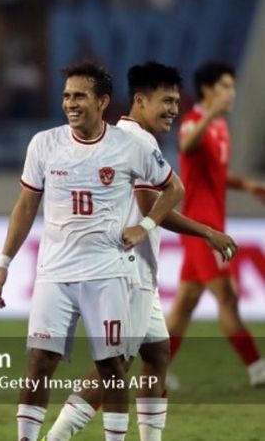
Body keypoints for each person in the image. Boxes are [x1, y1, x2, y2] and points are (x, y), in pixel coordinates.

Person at [0, 61, 184, 441]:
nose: (70, 103)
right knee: (39, 363)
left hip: (107, 274)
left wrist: (144, 227)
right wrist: (3, 263)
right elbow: (26, 205)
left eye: (80, 95)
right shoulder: (44, 143)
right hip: (54, 274)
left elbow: (173, 188)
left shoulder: (129, 146)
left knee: (112, 367)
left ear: (103, 101)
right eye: (66, 96)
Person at [43, 61, 236, 441]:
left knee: (158, 352)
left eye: (177, 101)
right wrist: (207, 232)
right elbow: (152, 207)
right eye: (166, 100)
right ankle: (56, 437)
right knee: (115, 365)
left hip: (139, 271)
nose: (173, 109)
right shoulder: (136, 143)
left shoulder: (129, 138)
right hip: (127, 273)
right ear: (140, 100)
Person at [167, 61, 265, 387]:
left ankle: (156, 366)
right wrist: (209, 114)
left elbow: (217, 175)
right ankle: (257, 366)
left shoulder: (221, 128)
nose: (231, 93)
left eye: (232, 87)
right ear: (208, 90)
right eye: (225, 86)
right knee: (227, 297)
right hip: (201, 229)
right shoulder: (194, 122)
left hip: (212, 226)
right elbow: (186, 146)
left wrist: (247, 185)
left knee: (185, 305)